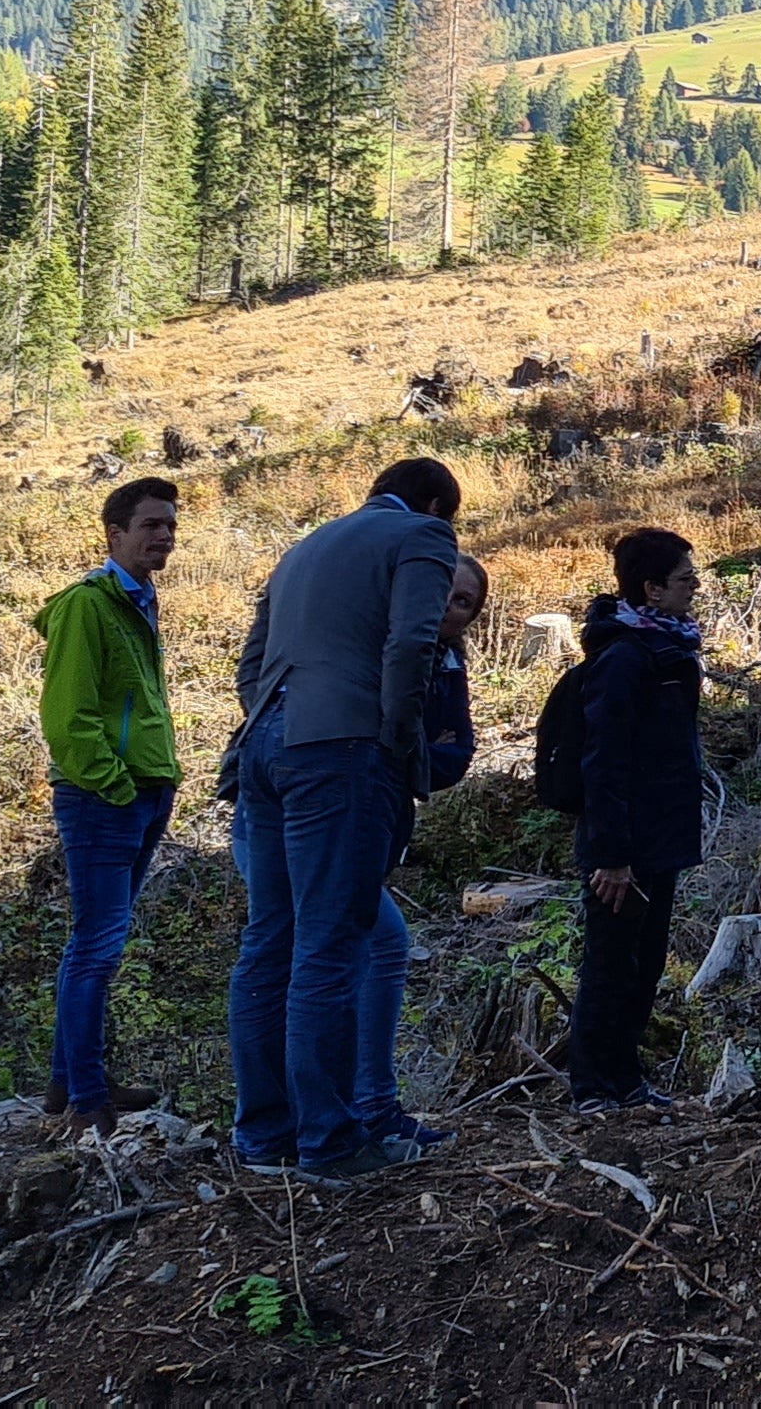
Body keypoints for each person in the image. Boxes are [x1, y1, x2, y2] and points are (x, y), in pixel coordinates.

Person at [229, 457, 464, 1178]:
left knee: (269, 941)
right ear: (432, 502)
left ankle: (265, 1135)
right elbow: (412, 643)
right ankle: (330, 1143)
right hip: (342, 749)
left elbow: (250, 663)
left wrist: (275, 724)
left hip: (265, 747)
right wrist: (396, 740)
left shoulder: (303, 549)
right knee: (331, 945)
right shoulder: (423, 536)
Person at [40, 476, 184, 1135]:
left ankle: (69, 1083)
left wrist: (156, 782)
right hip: (105, 798)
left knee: (103, 944)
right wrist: (113, 783)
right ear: (115, 534)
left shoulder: (140, 601)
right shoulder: (87, 606)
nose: (164, 535)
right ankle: (87, 1100)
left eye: (170, 525)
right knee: (95, 947)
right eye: (151, 524)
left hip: (146, 790)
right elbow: (68, 719)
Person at [570, 527, 709, 1113]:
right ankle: (592, 1087)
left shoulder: (668, 650)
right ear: (651, 590)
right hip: (624, 845)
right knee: (611, 963)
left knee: (645, 961)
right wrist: (612, 854)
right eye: (684, 579)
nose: (695, 587)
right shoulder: (626, 659)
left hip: (659, 835)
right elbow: (603, 763)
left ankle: (626, 1080)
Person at [356, 553, 484, 1153]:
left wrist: (411, 756)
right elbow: (377, 739)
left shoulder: (449, 663)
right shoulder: (373, 645)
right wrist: (414, 750)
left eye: (464, 603)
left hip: (383, 821)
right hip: (342, 815)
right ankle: (359, 1115)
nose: (449, 610)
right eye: (444, 595)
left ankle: (358, 1112)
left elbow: (459, 750)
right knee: (373, 948)